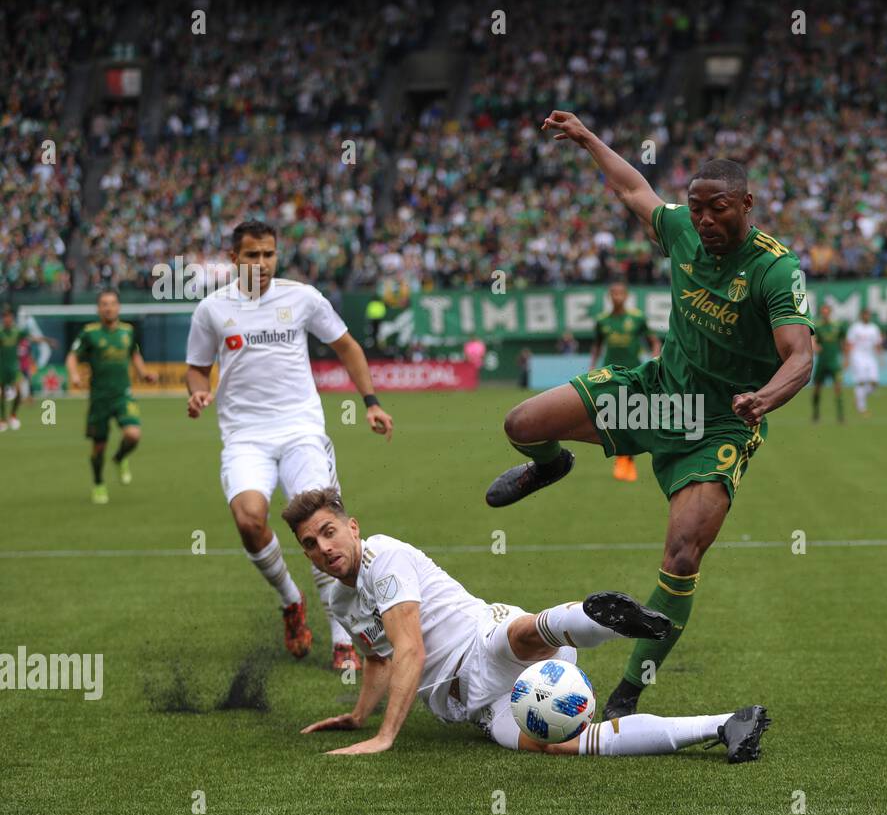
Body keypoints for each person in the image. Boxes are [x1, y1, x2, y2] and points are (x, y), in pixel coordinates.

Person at [485, 111, 814, 719]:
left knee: (682, 554)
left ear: (747, 204)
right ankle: (551, 465)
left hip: (716, 426)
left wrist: (764, 398)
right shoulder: (683, 233)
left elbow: (801, 355)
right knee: (521, 424)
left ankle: (628, 695)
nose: (706, 220)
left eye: (718, 208)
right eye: (697, 209)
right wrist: (587, 139)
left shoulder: (775, 269)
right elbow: (634, 189)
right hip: (657, 393)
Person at [284, 487, 770, 761]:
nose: (323, 548)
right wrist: (358, 716)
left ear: (353, 527)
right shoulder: (336, 595)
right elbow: (377, 656)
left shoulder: (382, 557)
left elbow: (410, 650)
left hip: (481, 640)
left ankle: (603, 620)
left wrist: (384, 736)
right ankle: (728, 724)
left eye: (329, 532)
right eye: (310, 543)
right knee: (563, 746)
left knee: (520, 635)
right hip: (481, 704)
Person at [185, 219, 395, 670]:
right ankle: (290, 599)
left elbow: (347, 347)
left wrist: (371, 403)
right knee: (248, 519)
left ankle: (343, 636)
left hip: (301, 429)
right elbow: (197, 366)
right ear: (234, 258)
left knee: (322, 526)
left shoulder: (302, 298)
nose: (261, 263)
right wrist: (197, 391)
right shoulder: (212, 309)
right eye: (251, 255)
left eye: (268, 254)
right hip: (245, 436)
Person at [63, 292, 155, 501]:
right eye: (104, 304)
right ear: (98, 309)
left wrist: (144, 373)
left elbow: (134, 354)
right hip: (99, 398)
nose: (108, 308)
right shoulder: (89, 333)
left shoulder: (128, 331)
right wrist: (75, 375)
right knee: (98, 447)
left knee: (133, 435)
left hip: (123, 394)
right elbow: (72, 356)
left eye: (112, 304)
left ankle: (120, 458)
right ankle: (98, 483)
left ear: (118, 308)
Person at [589, 281, 660, 481]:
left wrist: (655, 359)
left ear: (626, 295)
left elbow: (654, 341)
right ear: (609, 296)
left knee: (634, 417)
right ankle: (623, 459)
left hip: (634, 373)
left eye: (620, 293)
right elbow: (597, 345)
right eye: (614, 293)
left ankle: (628, 460)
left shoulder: (637, 318)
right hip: (609, 374)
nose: (617, 297)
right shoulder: (602, 320)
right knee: (613, 417)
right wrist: (592, 366)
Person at [1, 307, 57, 432]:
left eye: (8, 316)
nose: (7, 319)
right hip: (1, 367)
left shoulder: (17, 332)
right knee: (2, 394)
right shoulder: (1, 333)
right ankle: (2, 419)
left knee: (19, 392)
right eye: (4, 317)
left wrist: (47, 340)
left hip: (14, 367)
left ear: (12, 318)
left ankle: (13, 415)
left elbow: (32, 338)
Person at [810, 303, 847, 423]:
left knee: (838, 389)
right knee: (817, 389)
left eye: (827, 312)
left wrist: (846, 359)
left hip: (834, 363)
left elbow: (843, 342)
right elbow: (812, 339)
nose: (825, 314)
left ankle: (840, 416)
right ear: (821, 313)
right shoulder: (818, 326)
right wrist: (815, 346)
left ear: (830, 312)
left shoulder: (837, 326)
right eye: (823, 312)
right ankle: (816, 414)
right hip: (822, 363)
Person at [845, 307, 885, 417]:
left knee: (874, 382)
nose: (867, 316)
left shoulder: (874, 329)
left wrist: (881, 358)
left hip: (870, 357)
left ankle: (859, 398)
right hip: (857, 357)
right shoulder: (855, 328)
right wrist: (847, 359)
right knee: (861, 381)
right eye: (865, 314)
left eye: (868, 315)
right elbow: (849, 344)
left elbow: (878, 344)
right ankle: (862, 408)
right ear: (861, 315)